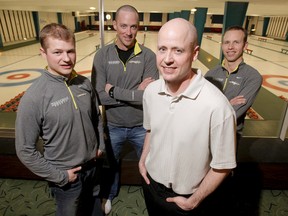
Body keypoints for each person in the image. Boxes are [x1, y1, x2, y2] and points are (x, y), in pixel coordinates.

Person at [138, 18, 237, 216]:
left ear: (195, 53)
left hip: (187, 199)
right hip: (151, 185)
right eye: (162, 49)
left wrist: (193, 201)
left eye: (178, 50)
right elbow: (151, 129)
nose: (167, 59)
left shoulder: (217, 106)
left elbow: (223, 165)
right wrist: (143, 161)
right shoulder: (150, 92)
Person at [15, 23, 105, 216]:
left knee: (94, 210)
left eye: (70, 51)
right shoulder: (34, 97)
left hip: (93, 167)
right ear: (43, 53)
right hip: (67, 177)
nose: (66, 59)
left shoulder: (84, 84)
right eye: (57, 52)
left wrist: (101, 146)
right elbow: (25, 150)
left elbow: (96, 117)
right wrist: (61, 176)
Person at [91, 4, 159, 214]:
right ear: (114, 25)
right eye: (123, 26)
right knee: (110, 165)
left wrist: (113, 92)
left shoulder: (148, 56)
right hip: (113, 125)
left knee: (151, 165)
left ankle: (155, 200)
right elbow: (99, 96)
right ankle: (109, 194)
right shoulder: (102, 56)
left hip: (143, 126)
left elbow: (148, 98)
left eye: (133, 27)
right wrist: (134, 92)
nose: (128, 32)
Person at [205, 26, 263, 143]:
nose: (230, 47)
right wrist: (228, 103)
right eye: (227, 42)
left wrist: (214, 106)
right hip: (206, 134)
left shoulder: (253, 77)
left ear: (245, 46)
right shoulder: (211, 73)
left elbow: (234, 114)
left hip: (230, 137)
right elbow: (201, 108)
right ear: (222, 45)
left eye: (236, 42)